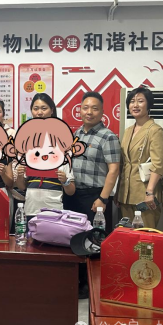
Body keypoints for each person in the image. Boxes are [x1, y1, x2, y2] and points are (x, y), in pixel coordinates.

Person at [9, 117, 86, 220]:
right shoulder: (28, 161)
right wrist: (19, 175)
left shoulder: (63, 163)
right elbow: (22, 187)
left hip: (54, 212)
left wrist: (65, 181)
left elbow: (71, 191)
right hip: (31, 210)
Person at [64, 92, 121, 227]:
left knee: (94, 237)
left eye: (94, 109)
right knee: (71, 235)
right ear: (80, 110)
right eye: (85, 108)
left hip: (95, 197)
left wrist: (103, 198)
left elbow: (114, 170)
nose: (89, 112)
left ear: (102, 112)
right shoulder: (76, 134)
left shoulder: (108, 137)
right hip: (73, 195)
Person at [117, 87, 163, 229]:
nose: (135, 105)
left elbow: (158, 164)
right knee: (127, 235)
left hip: (145, 194)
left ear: (149, 104)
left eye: (140, 101)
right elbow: (124, 163)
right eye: (132, 101)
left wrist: (149, 192)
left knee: (145, 236)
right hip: (126, 193)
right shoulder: (128, 131)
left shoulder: (155, 130)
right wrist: (118, 192)